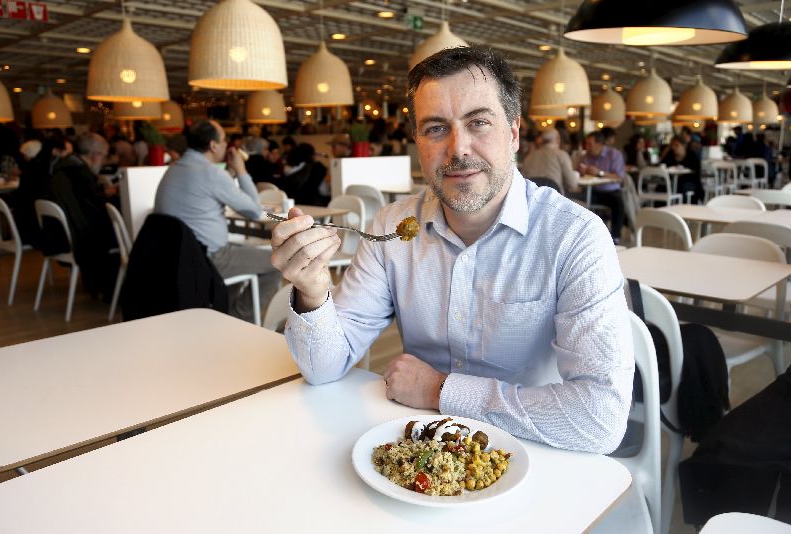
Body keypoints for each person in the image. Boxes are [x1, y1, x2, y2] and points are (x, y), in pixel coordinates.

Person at [269, 46, 633, 454]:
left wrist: (439, 391)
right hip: (417, 456)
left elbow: (600, 418)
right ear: (418, 141)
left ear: (513, 133)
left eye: (478, 122)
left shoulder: (574, 237)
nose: (458, 148)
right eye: (436, 128)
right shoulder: (391, 228)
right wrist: (313, 291)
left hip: (533, 452)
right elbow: (323, 368)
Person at [154, 120, 281, 323]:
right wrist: (241, 170)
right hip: (209, 258)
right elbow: (255, 211)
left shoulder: (174, 169)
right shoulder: (211, 173)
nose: (226, 145)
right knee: (277, 262)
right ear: (213, 145)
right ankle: (240, 319)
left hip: (176, 258)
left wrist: (230, 173)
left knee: (239, 252)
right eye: (224, 140)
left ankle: (224, 315)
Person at [47, 132, 118, 300]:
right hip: (83, 236)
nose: (104, 161)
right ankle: (115, 290)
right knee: (119, 231)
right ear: (96, 155)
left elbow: (85, 198)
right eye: (104, 156)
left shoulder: (64, 167)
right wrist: (108, 194)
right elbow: (95, 205)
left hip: (63, 233)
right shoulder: (80, 172)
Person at [577, 131, 626, 243]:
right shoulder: (585, 156)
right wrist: (582, 171)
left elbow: (619, 177)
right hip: (591, 190)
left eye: (590, 144)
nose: (587, 147)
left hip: (610, 191)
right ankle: (583, 238)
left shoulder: (614, 154)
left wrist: (600, 173)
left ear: (600, 144)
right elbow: (576, 173)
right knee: (575, 200)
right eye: (586, 144)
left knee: (618, 203)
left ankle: (615, 237)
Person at [521, 129, 579, 194]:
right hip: (555, 198)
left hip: (532, 197)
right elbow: (572, 183)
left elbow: (523, 180)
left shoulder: (529, 156)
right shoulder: (562, 155)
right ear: (558, 139)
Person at [660, 136, 704, 204]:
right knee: (661, 187)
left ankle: (681, 207)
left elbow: (695, 173)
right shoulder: (670, 155)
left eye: (676, 145)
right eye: (672, 145)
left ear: (684, 146)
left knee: (682, 187)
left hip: (689, 182)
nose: (674, 148)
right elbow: (662, 166)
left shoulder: (691, 156)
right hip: (671, 181)